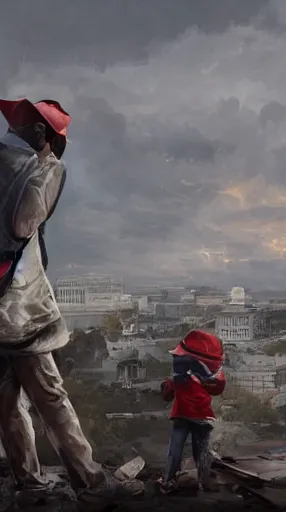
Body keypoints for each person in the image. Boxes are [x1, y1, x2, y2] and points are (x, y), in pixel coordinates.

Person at [0, 97, 144, 506]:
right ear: (42, 135)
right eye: (54, 143)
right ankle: (92, 483)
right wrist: (49, 168)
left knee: (6, 401)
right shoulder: (39, 167)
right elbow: (23, 225)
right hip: (19, 309)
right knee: (51, 397)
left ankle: (28, 482)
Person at [159, 330, 227, 493]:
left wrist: (171, 383)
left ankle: (168, 481)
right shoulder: (209, 379)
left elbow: (166, 395)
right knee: (201, 452)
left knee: (175, 450)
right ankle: (205, 483)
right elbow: (218, 388)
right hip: (201, 418)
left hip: (181, 416)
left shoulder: (179, 380)